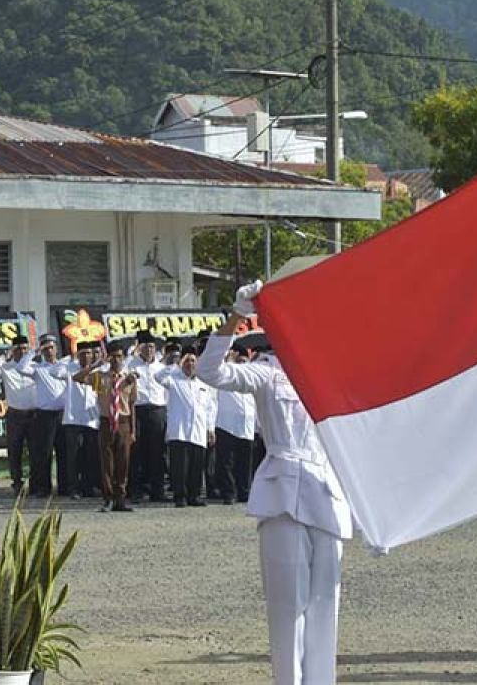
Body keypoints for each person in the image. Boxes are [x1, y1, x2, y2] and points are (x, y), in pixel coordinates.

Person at [198, 281, 353, 685]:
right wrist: (236, 313)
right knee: (287, 606)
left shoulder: (332, 373)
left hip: (328, 494)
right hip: (282, 490)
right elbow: (208, 371)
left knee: (325, 603)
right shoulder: (268, 374)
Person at [74, 340, 137, 512]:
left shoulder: (129, 379)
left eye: (119, 356)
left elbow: (131, 405)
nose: (116, 360)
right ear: (108, 358)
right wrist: (96, 364)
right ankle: (108, 498)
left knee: (123, 462)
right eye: (113, 357)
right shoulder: (100, 378)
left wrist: (133, 431)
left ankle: (121, 498)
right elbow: (77, 378)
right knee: (107, 462)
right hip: (106, 421)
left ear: (123, 358)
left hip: (124, 422)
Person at [156, 349, 215, 508]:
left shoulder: (203, 383)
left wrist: (210, 428)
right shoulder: (174, 380)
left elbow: (210, 407)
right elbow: (158, 377)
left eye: (193, 361)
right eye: (187, 361)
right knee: (179, 467)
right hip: (180, 431)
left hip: (198, 430)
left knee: (197, 465)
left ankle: (194, 496)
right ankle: (180, 496)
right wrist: (173, 365)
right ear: (182, 363)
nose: (190, 364)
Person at [0, 336, 36, 496]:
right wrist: (3, 357)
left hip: (34, 414)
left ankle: (35, 483)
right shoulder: (7, 367)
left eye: (24, 349)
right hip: (15, 414)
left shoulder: (34, 366)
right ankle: (17, 482)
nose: (22, 352)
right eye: (18, 349)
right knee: (15, 450)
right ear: (12, 350)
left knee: (35, 451)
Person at [19, 335, 68, 498]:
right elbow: (20, 368)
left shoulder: (64, 365)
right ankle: (43, 487)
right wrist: (34, 351)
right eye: (45, 349)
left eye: (51, 347)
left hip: (63, 413)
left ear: (57, 349)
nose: (49, 351)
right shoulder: (38, 369)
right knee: (44, 453)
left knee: (64, 452)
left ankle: (64, 487)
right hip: (45, 415)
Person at [126, 330, 169, 502]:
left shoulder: (161, 367)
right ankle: (135, 490)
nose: (149, 350)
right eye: (145, 347)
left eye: (152, 346)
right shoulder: (131, 365)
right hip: (138, 410)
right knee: (137, 452)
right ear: (140, 348)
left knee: (157, 453)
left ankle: (157, 490)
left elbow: (167, 392)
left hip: (158, 410)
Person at [214, 345, 257, 504]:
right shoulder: (226, 375)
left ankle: (244, 491)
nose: (242, 364)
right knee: (226, 462)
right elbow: (219, 370)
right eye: (239, 360)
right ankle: (229, 493)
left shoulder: (251, 377)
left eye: (244, 360)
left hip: (246, 425)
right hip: (227, 424)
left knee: (245, 463)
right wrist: (229, 360)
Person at [60, 345, 101, 500]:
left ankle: (88, 486)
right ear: (78, 355)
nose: (86, 357)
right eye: (82, 354)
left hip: (91, 419)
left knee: (90, 455)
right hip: (73, 418)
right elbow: (74, 376)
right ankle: (73, 488)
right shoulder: (69, 368)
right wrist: (91, 367)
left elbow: (98, 393)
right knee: (73, 455)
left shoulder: (98, 372)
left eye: (89, 354)